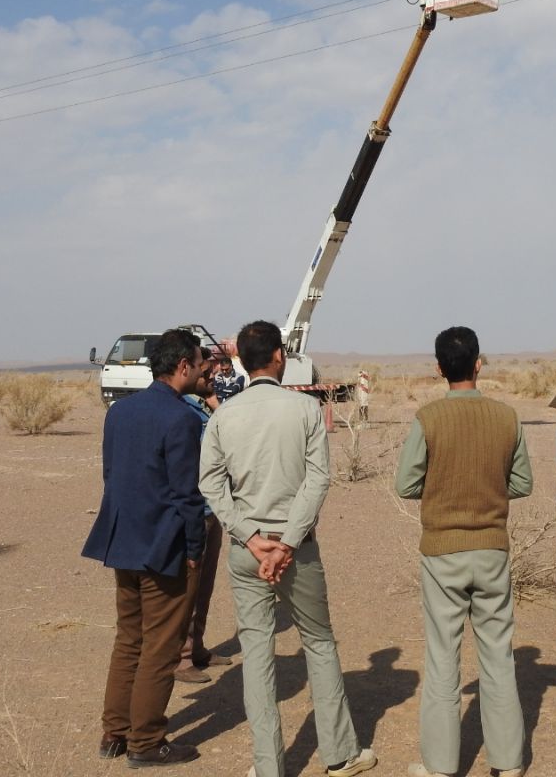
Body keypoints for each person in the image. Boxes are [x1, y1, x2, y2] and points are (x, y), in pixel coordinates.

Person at [198, 320, 377, 777]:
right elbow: (318, 478)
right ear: (278, 356)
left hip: (247, 552)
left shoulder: (223, 415)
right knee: (319, 643)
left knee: (256, 651)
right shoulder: (305, 410)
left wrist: (252, 538)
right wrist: (288, 542)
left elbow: (211, 485)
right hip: (298, 550)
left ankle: (268, 766)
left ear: (242, 361)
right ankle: (339, 755)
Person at [395, 326, 533, 777]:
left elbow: (406, 484)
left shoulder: (428, 418)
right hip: (492, 547)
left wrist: (443, 488)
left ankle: (439, 766)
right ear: (479, 362)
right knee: (498, 656)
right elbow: (522, 483)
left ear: (439, 368)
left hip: (442, 551)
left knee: (442, 659)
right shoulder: (507, 417)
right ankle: (509, 763)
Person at [81, 328, 209, 766]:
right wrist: (196, 547)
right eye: (199, 363)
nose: (203, 370)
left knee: (129, 641)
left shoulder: (119, 413)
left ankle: (114, 733)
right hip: (165, 548)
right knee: (161, 646)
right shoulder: (182, 419)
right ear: (183, 367)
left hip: (124, 543)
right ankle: (147, 741)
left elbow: (111, 475)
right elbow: (188, 495)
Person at [175, 350, 233, 684]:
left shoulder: (202, 405)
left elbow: (229, 434)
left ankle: (196, 647)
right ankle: (180, 658)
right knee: (187, 587)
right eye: (206, 372)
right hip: (193, 509)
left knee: (204, 586)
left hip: (212, 508)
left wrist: (212, 399)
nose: (211, 376)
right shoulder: (181, 412)